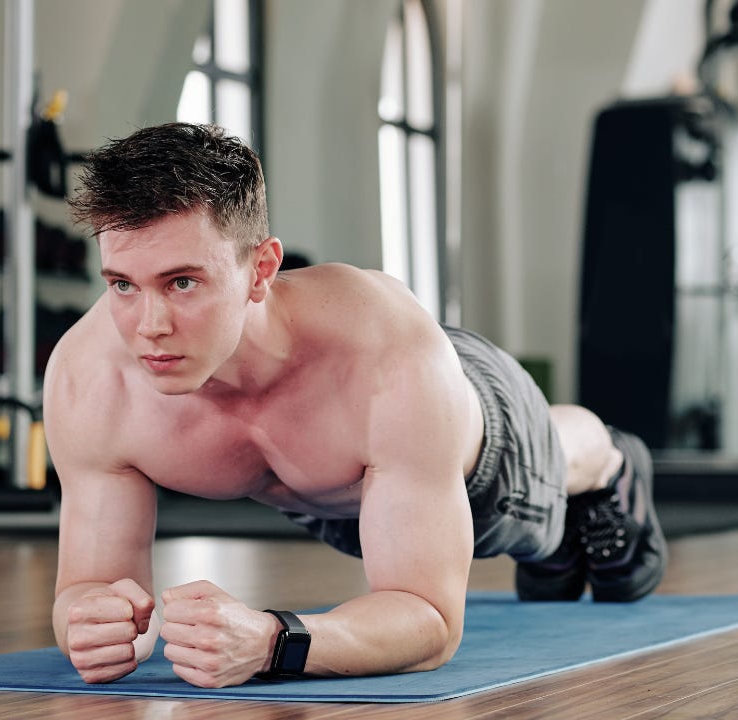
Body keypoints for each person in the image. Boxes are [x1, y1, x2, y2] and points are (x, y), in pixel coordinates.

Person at [45, 122, 666, 689]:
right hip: (339, 480)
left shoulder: (391, 365)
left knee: (552, 473)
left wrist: (275, 640)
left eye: (183, 282)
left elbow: (431, 621)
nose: (149, 326)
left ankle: (613, 464)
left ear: (261, 270)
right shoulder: (91, 381)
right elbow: (86, 587)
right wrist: (91, 620)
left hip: (469, 443)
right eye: (123, 284)